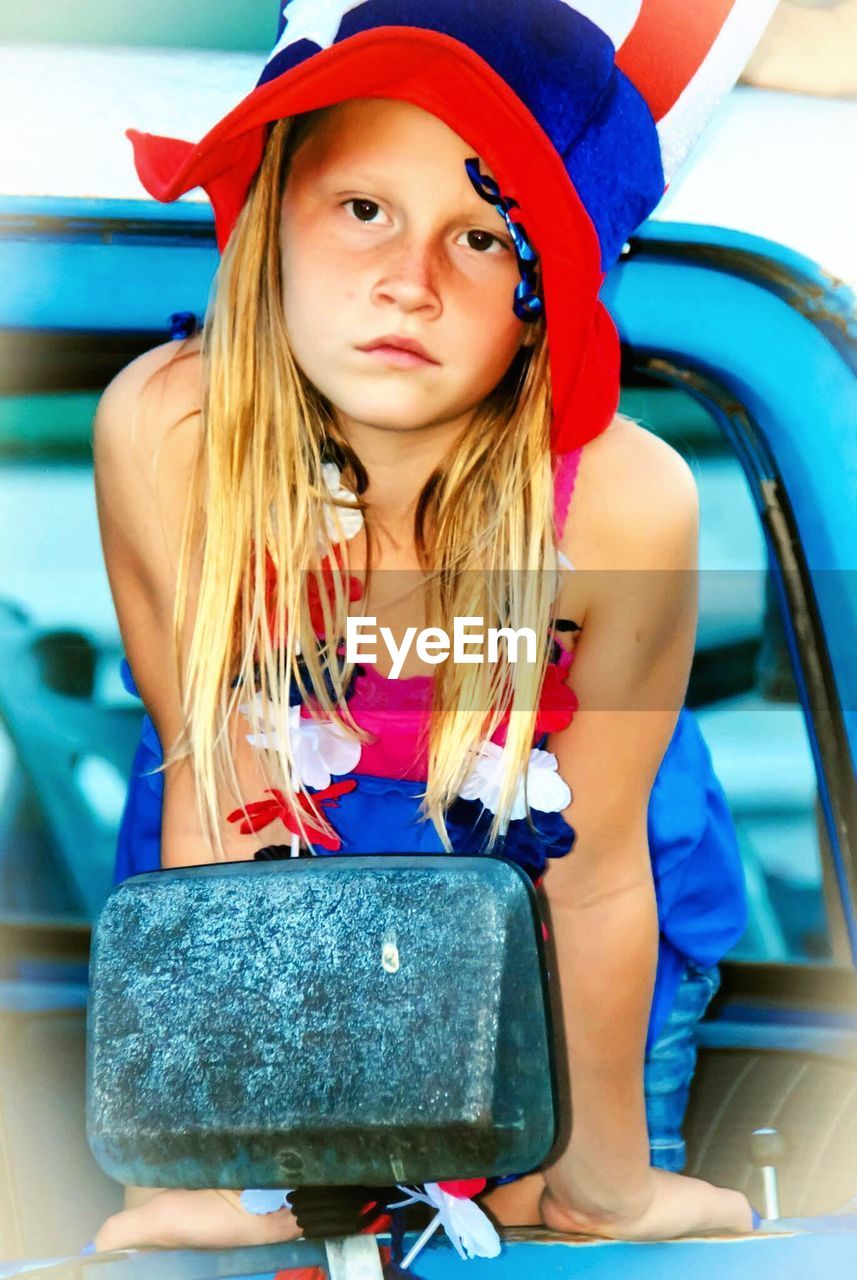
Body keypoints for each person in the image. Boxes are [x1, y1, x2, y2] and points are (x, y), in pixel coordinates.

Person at [91, 0, 777, 1257]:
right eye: (365, 209)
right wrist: (215, 1159)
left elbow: (601, 868)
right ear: (274, 208)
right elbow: (217, 789)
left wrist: (602, 1181)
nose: (408, 281)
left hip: (564, 930)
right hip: (258, 896)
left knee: (538, 1227)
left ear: (545, 296)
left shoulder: (619, 501)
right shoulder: (171, 434)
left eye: (481, 233)